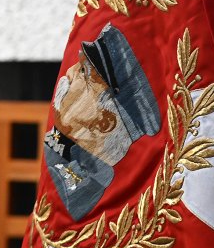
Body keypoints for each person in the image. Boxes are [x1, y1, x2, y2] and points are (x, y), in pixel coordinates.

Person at [44, 22, 161, 221]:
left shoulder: (83, 189)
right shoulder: (59, 149)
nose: (69, 73)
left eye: (83, 73)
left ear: (104, 122)